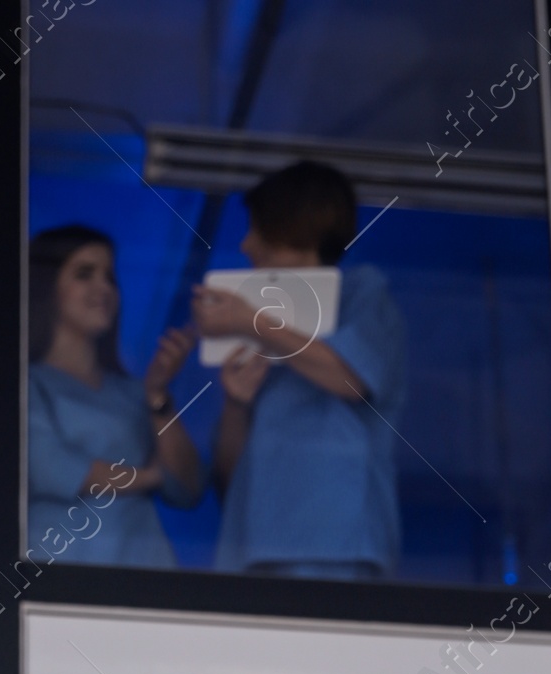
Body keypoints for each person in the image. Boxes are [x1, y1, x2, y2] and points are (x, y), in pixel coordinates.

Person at [196, 161, 405, 581]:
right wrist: (236, 405)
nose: (246, 244)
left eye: (256, 227)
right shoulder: (262, 320)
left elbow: (350, 378)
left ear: (287, 227)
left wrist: (248, 322)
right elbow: (228, 478)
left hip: (337, 547)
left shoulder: (361, 291)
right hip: (252, 552)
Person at [27, 225, 201, 568]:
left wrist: (158, 398)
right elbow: (48, 467)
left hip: (144, 576)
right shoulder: (24, 383)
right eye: (84, 274)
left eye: (109, 277)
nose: (103, 288)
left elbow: (188, 488)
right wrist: (151, 477)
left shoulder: (134, 392)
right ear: (47, 286)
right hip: (59, 575)